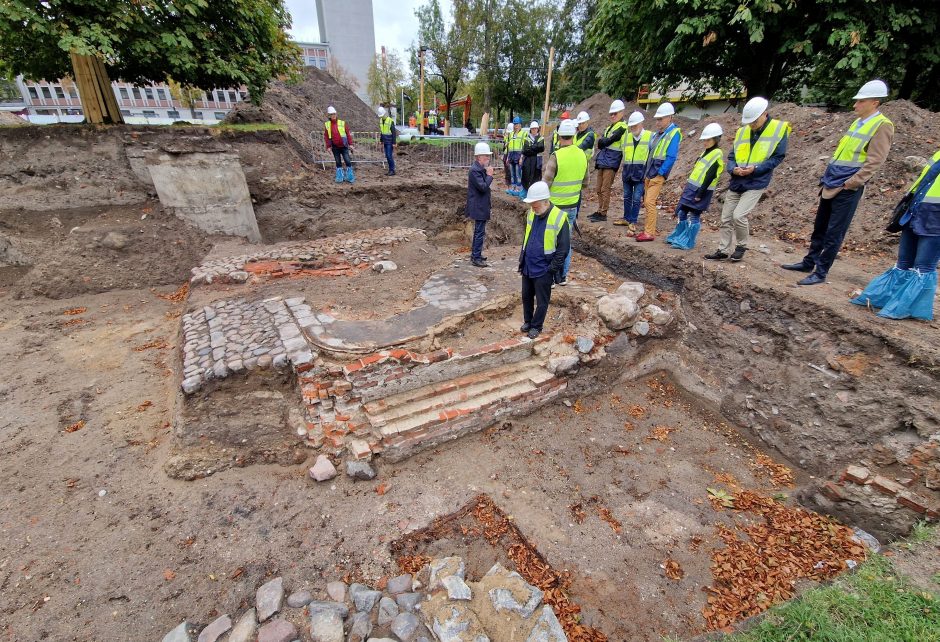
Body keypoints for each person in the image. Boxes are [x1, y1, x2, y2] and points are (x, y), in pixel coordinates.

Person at [782, 80, 895, 284]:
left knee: (834, 232)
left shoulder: (882, 126)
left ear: (875, 102)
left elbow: (875, 161)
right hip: (832, 181)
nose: (855, 105)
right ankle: (810, 261)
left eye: (860, 101)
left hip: (847, 188)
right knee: (820, 226)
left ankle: (821, 272)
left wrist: (852, 183)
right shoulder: (857, 123)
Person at [851, 150, 940, 320]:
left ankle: (904, 307)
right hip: (915, 212)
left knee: (923, 267)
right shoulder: (938, 154)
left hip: (935, 221)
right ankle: (888, 300)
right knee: (903, 262)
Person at [705, 97, 790, 262]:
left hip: (756, 181)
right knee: (726, 217)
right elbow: (732, 156)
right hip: (737, 180)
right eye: (749, 121)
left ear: (764, 113)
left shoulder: (778, 129)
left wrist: (756, 169)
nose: (751, 124)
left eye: (754, 121)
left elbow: (777, 157)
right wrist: (732, 169)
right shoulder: (742, 131)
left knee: (738, 216)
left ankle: (741, 246)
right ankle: (723, 250)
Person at [518, 181, 571, 339]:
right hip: (528, 263)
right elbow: (527, 237)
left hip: (544, 268)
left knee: (542, 300)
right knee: (526, 296)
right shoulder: (532, 212)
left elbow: (563, 249)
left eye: (535, 205)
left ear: (545, 202)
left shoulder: (560, 218)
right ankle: (528, 321)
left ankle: (536, 325)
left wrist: (552, 269)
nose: (533, 209)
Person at [665, 123, 725, 250]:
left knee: (694, 215)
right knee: (682, 212)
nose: (705, 142)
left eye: (708, 140)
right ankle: (680, 235)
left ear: (716, 139)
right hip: (692, 188)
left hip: (701, 191)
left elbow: (710, 175)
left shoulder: (717, 154)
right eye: (705, 139)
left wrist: (700, 194)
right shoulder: (705, 152)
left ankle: (688, 240)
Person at [543, 119, 588, 286]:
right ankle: (562, 277)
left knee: (551, 242)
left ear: (559, 136)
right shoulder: (582, 155)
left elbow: (546, 182)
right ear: (574, 135)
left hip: (555, 206)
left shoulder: (556, 156)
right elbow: (585, 182)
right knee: (566, 242)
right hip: (572, 206)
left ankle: (552, 277)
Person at [636, 102, 682, 241]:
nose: (658, 122)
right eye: (657, 119)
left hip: (657, 173)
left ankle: (649, 232)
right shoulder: (658, 134)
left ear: (670, 118)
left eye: (660, 119)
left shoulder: (673, 133)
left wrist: (661, 172)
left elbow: (671, 156)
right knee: (647, 201)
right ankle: (647, 229)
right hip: (650, 172)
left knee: (650, 202)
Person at [589, 100, 628, 222]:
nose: (612, 116)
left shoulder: (622, 127)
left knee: (605, 188)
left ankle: (603, 213)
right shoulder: (611, 127)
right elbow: (601, 143)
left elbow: (608, 141)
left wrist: (604, 141)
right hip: (604, 160)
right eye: (611, 114)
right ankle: (600, 210)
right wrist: (603, 141)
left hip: (612, 161)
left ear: (622, 112)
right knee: (598, 188)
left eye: (615, 113)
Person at [615, 111, 652, 235]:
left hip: (641, 173)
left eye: (635, 126)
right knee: (627, 196)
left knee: (637, 198)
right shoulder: (626, 137)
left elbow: (651, 157)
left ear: (641, 124)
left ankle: (633, 221)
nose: (632, 128)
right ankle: (626, 218)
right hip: (627, 172)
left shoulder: (649, 137)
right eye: (631, 126)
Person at [466, 142, 494, 268]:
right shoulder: (475, 170)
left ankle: (476, 254)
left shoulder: (479, 169)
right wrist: (489, 176)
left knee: (480, 231)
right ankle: (476, 257)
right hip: (478, 206)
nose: (488, 159)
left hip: (481, 205)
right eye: (486, 156)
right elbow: (482, 187)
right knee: (479, 232)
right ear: (479, 157)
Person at [323, 105, 354, 183]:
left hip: (344, 146)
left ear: (336, 114)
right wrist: (328, 147)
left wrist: (351, 144)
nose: (333, 116)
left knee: (347, 161)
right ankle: (340, 177)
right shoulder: (327, 125)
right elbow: (326, 136)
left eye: (334, 114)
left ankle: (350, 176)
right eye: (331, 114)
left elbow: (348, 134)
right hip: (335, 147)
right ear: (329, 116)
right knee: (338, 162)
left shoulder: (342, 123)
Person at [520, 121, 545, 199]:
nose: (534, 130)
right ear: (530, 129)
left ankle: (534, 194)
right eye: (533, 129)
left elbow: (541, 148)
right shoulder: (527, 138)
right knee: (526, 175)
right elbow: (525, 150)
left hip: (537, 161)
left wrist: (531, 148)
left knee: (536, 176)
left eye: (535, 129)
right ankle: (526, 191)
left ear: (538, 129)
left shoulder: (541, 138)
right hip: (528, 160)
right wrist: (535, 148)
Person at [506, 117, 525, 196]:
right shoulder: (511, 134)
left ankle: (519, 188)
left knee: (518, 173)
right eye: (514, 124)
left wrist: (521, 157)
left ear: (520, 125)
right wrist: (507, 157)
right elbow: (509, 146)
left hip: (518, 156)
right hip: (511, 156)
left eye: (517, 124)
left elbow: (524, 146)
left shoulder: (524, 133)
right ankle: (513, 187)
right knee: (512, 173)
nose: (515, 126)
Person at [377, 106, 398, 177]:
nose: (381, 117)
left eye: (382, 115)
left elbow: (394, 132)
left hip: (390, 141)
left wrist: (394, 143)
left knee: (389, 156)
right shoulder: (380, 121)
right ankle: (390, 170)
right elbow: (382, 132)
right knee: (387, 156)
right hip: (385, 141)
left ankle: (392, 170)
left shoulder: (390, 121)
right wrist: (381, 140)